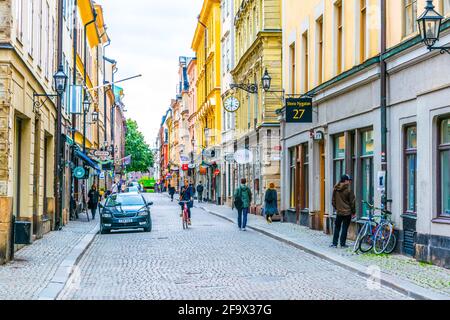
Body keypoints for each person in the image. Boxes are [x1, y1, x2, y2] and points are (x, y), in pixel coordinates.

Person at [331, 174, 356, 248]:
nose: (349, 182)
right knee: (345, 228)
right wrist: (353, 212)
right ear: (345, 181)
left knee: (337, 227)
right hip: (347, 212)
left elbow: (333, 201)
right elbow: (352, 202)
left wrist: (337, 208)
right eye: (348, 180)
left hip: (339, 212)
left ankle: (334, 243)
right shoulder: (349, 190)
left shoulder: (336, 189)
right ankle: (342, 244)